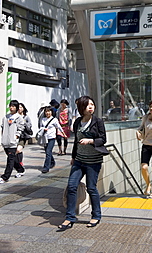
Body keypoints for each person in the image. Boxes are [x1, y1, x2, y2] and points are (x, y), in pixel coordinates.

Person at [58, 95, 107, 230]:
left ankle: (96, 215)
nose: (91, 107)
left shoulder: (98, 122)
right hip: (79, 160)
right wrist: (73, 157)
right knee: (72, 186)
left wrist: (90, 141)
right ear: (81, 108)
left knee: (91, 188)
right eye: (87, 105)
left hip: (94, 161)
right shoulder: (78, 121)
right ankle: (69, 217)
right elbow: (75, 141)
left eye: (92, 104)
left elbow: (103, 139)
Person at [0, 100, 25, 184]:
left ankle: (5, 177)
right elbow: (2, 127)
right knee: (12, 158)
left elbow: (21, 128)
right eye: (10, 106)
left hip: (13, 142)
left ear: (16, 108)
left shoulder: (18, 117)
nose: (11, 108)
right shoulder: (6, 117)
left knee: (10, 160)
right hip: (5, 142)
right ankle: (20, 169)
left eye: (13, 106)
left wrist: (16, 136)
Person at [40, 106, 65, 173]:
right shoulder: (43, 119)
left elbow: (59, 127)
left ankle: (46, 167)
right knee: (48, 152)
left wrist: (63, 133)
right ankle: (52, 162)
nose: (47, 113)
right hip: (45, 138)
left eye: (49, 111)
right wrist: (43, 129)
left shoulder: (54, 120)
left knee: (48, 152)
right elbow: (41, 127)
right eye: (46, 111)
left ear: (51, 112)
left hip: (52, 138)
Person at [14, 103, 33, 178]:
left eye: (21, 107)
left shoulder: (26, 117)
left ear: (23, 108)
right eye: (18, 107)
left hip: (23, 136)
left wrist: (24, 123)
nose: (19, 108)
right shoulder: (14, 116)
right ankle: (19, 167)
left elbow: (30, 125)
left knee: (18, 150)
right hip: (15, 136)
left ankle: (20, 164)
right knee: (15, 152)